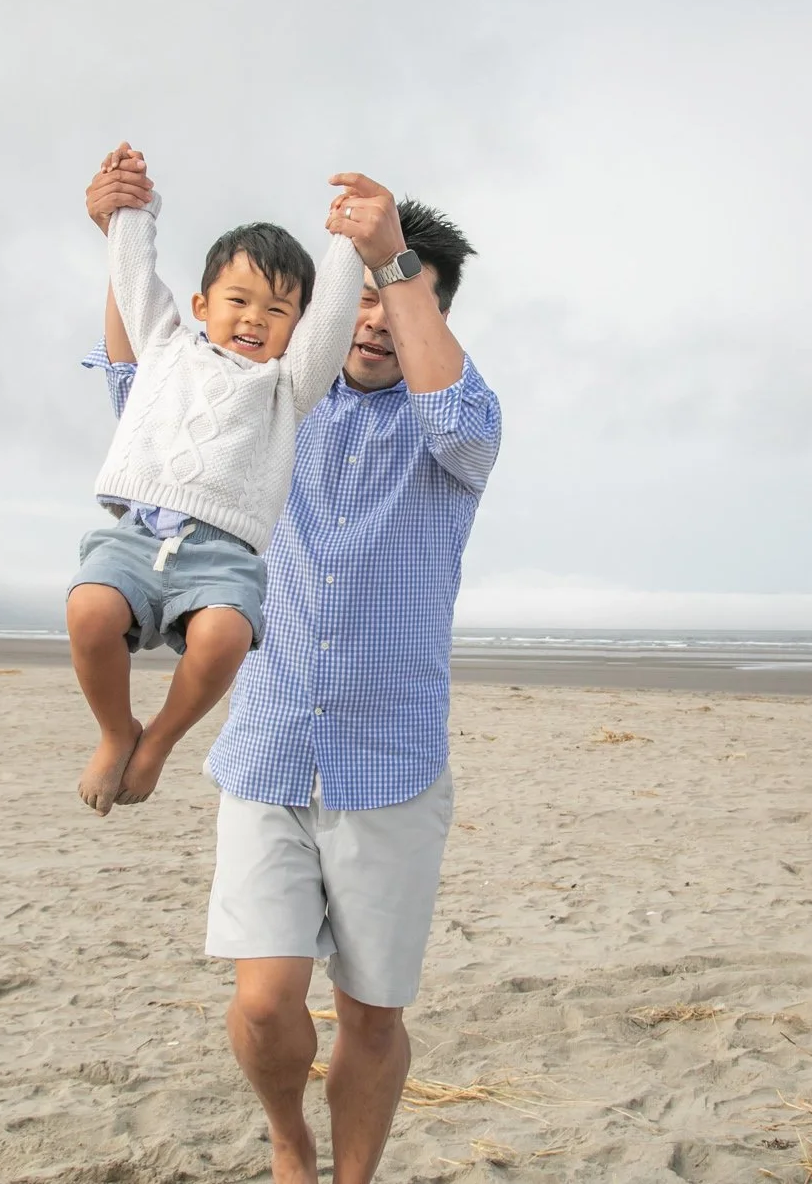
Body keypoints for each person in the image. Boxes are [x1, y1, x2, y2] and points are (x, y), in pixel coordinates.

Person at [83, 151, 501, 1183]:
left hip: (391, 764)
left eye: (395, 299)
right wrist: (114, 234)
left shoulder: (450, 427)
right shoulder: (269, 402)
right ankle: (285, 1133)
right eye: (354, 296)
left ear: (425, 310)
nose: (370, 317)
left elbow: (456, 415)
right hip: (266, 750)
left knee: (369, 1012)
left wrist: (393, 254)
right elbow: (142, 376)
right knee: (266, 1001)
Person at [67, 145, 369, 816]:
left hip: (225, 554)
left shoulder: (285, 388)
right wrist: (132, 209)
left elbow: (332, 323)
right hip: (139, 531)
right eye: (239, 300)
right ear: (203, 302)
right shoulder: (166, 346)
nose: (256, 318)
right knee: (89, 610)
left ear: (297, 327)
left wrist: (347, 241)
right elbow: (133, 277)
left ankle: (160, 741)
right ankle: (118, 732)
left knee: (226, 636)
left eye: (278, 309)